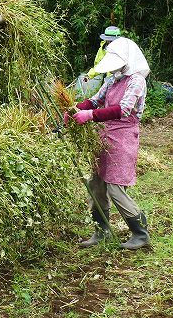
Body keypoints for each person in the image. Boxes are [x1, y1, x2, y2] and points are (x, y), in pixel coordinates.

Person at [69, 36, 151, 250]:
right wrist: (74, 109)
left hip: (124, 136)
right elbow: (95, 100)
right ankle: (101, 231)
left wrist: (90, 115)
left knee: (115, 187)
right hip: (105, 135)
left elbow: (123, 109)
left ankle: (140, 234)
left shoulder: (136, 80)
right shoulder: (113, 79)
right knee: (96, 184)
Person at [76, 26, 122, 97]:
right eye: (109, 40)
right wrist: (89, 75)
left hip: (122, 80)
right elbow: (99, 66)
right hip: (109, 80)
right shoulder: (103, 49)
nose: (110, 42)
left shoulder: (123, 48)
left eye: (112, 40)